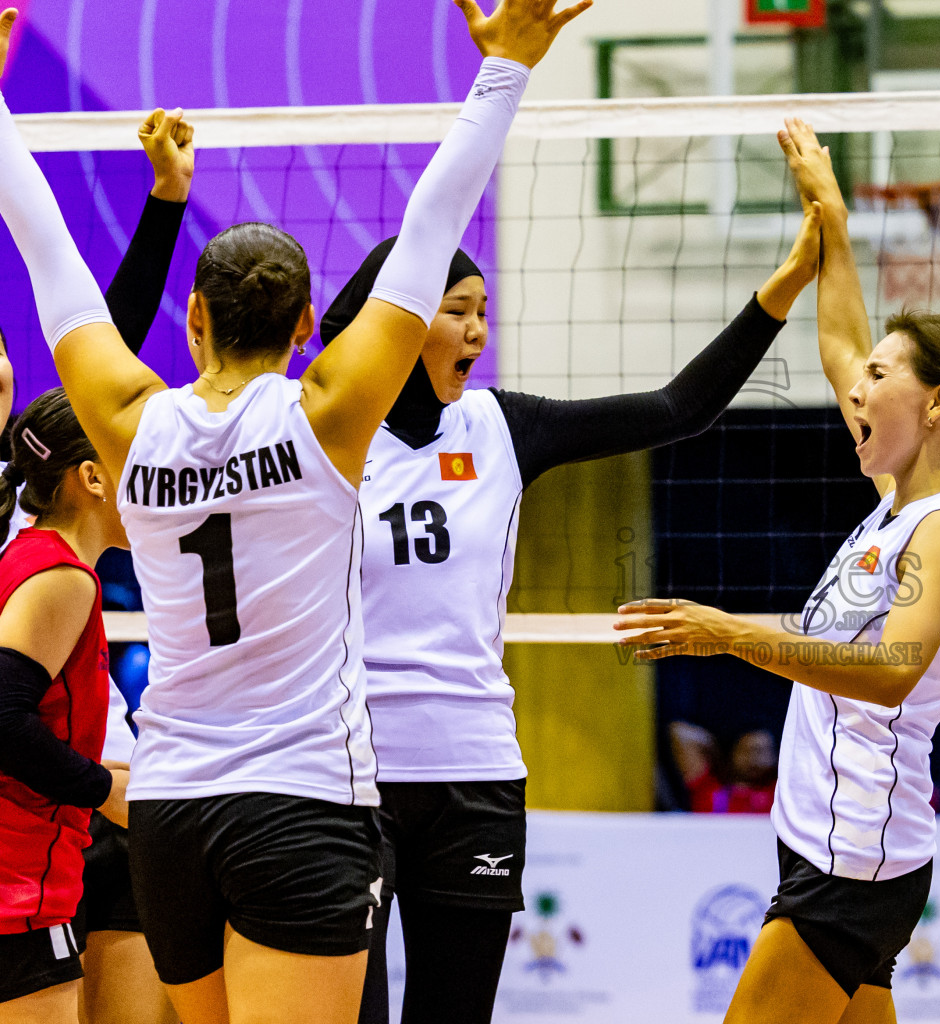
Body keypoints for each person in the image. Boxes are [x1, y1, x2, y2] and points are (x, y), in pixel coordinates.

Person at [0, 3, 589, 1022]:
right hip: (302, 801)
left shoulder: (132, 423)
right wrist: (505, 71)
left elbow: (49, 257)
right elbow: (427, 235)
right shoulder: (329, 419)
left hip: (174, 810)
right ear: (315, 325)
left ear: (192, 317)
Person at [318, 199, 820, 1023]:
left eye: (485, 312)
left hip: (473, 771)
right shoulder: (325, 431)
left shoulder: (502, 426)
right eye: (458, 312)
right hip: (347, 775)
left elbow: (677, 409)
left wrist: (787, 283)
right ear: (402, 320)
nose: (479, 333)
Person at [615, 118, 940, 1024]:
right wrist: (833, 223)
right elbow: (843, 340)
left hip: (855, 853)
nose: (854, 387)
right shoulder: (898, 495)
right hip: (833, 844)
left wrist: (728, 635)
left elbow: (890, 673)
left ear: (934, 402)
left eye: (879, 377)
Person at [70, 106, 196, 1024]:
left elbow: (111, 335)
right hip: (39, 797)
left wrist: (164, 201)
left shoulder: (41, 466)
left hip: (114, 785)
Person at [0, 389, 131, 1024]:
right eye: (142, 459)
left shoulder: (32, 558)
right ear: (93, 479)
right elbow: (3, 720)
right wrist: (104, 789)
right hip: (18, 877)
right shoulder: (62, 575)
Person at [670, 723, 778, 814]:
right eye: (746, 751)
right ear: (733, 755)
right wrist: (717, 751)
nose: (754, 759)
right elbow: (679, 732)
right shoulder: (709, 788)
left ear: (775, 756)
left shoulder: (779, 793)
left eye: (762, 752)